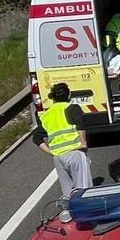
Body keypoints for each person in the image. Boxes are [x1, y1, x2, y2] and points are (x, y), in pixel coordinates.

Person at [33, 83, 92, 222]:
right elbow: (80, 124)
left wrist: (52, 152)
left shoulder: (46, 115)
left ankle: (70, 215)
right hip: (75, 153)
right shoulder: (71, 108)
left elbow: (36, 138)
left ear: (53, 98)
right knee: (84, 189)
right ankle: (87, 216)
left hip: (58, 158)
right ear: (69, 95)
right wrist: (83, 143)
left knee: (68, 192)